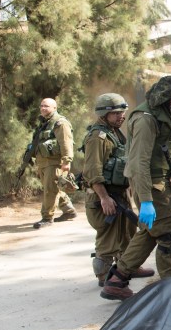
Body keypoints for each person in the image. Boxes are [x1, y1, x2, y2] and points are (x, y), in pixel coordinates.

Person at [101, 75, 171, 301]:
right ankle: (170, 292)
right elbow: (138, 163)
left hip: (158, 181)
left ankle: (117, 280)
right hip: (149, 184)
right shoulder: (145, 119)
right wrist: (145, 200)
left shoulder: (163, 114)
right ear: (167, 97)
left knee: (150, 232)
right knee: (169, 235)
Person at [81, 93, 154, 286]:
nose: (121, 116)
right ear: (104, 114)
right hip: (103, 196)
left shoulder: (115, 133)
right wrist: (104, 197)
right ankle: (104, 275)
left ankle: (128, 266)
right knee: (108, 238)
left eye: (123, 112)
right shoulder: (98, 137)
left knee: (127, 233)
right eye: (116, 113)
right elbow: (92, 172)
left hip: (118, 194)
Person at [31, 98, 77, 229]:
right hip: (43, 162)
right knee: (52, 188)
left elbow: (66, 143)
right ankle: (69, 211)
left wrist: (66, 161)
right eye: (41, 106)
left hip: (54, 163)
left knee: (50, 190)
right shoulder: (44, 123)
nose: (43, 108)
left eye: (46, 106)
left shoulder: (60, 123)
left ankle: (47, 218)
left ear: (54, 108)